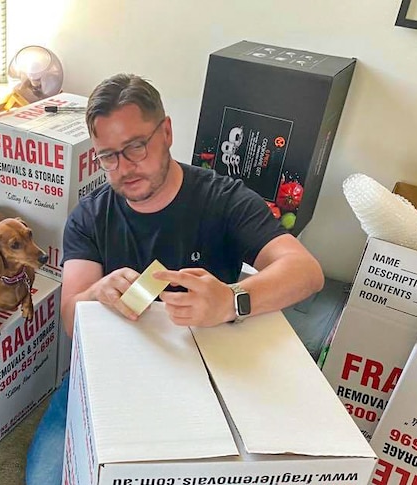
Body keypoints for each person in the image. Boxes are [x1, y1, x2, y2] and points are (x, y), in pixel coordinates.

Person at [24, 74, 324, 484]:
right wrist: (95, 294)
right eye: (108, 156)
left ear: (165, 131)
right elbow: (71, 319)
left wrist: (230, 300)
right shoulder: (90, 216)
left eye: (135, 147)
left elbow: (306, 272)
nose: (124, 168)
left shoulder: (223, 199)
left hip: (202, 374)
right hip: (107, 377)